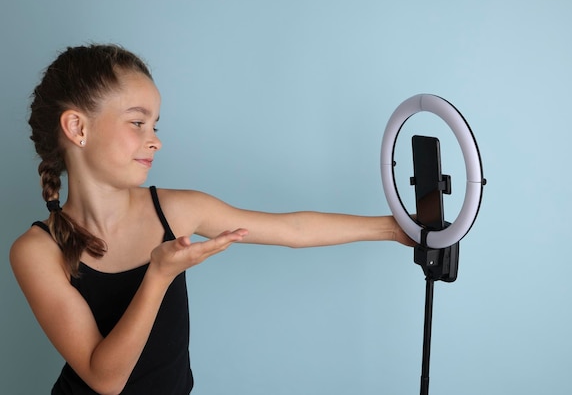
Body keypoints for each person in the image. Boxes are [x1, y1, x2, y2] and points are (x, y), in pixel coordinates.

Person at [9, 44, 414, 395]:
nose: (155, 139)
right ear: (77, 127)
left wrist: (396, 229)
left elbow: (293, 229)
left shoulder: (176, 209)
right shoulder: (36, 252)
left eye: (155, 125)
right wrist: (158, 276)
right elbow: (106, 380)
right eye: (137, 122)